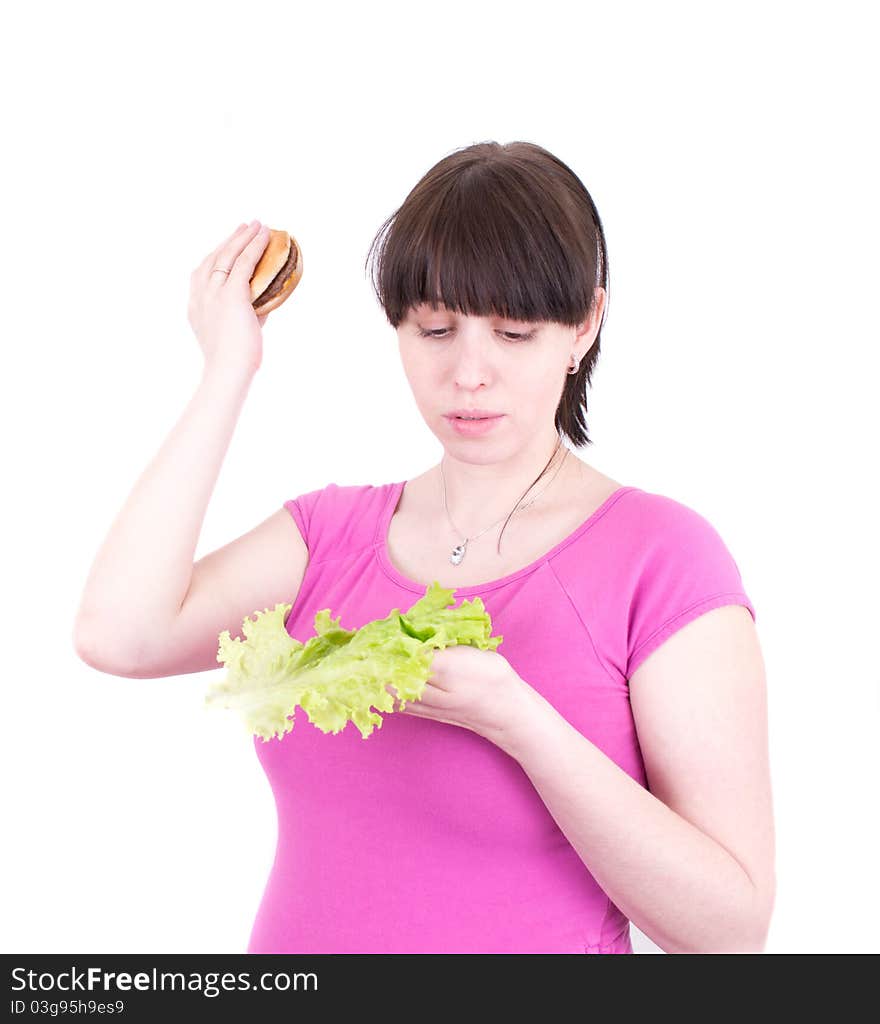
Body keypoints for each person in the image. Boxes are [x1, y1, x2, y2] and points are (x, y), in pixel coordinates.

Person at [73, 140, 775, 954]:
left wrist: (521, 723)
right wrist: (229, 369)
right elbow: (117, 635)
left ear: (584, 325)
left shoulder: (661, 557)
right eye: (435, 329)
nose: (467, 373)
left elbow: (729, 933)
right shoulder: (329, 537)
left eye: (513, 334)